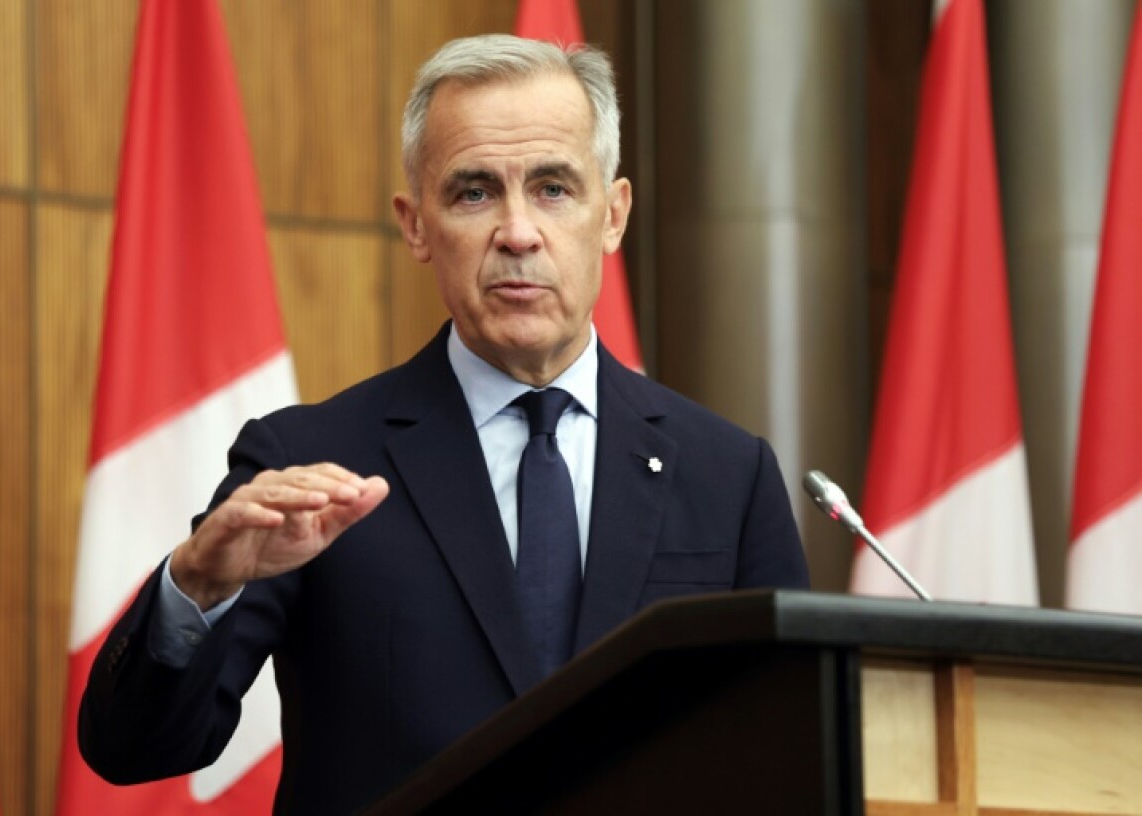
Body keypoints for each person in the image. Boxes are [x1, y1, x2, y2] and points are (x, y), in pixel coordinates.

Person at [78, 33, 809, 815]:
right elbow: (135, 748)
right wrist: (197, 584)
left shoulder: (727, 476)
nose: (519, 232)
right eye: (474, 193)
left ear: (613, 214)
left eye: (553, 188)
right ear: (416, 224)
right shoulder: (308, 462)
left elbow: (797, 755)